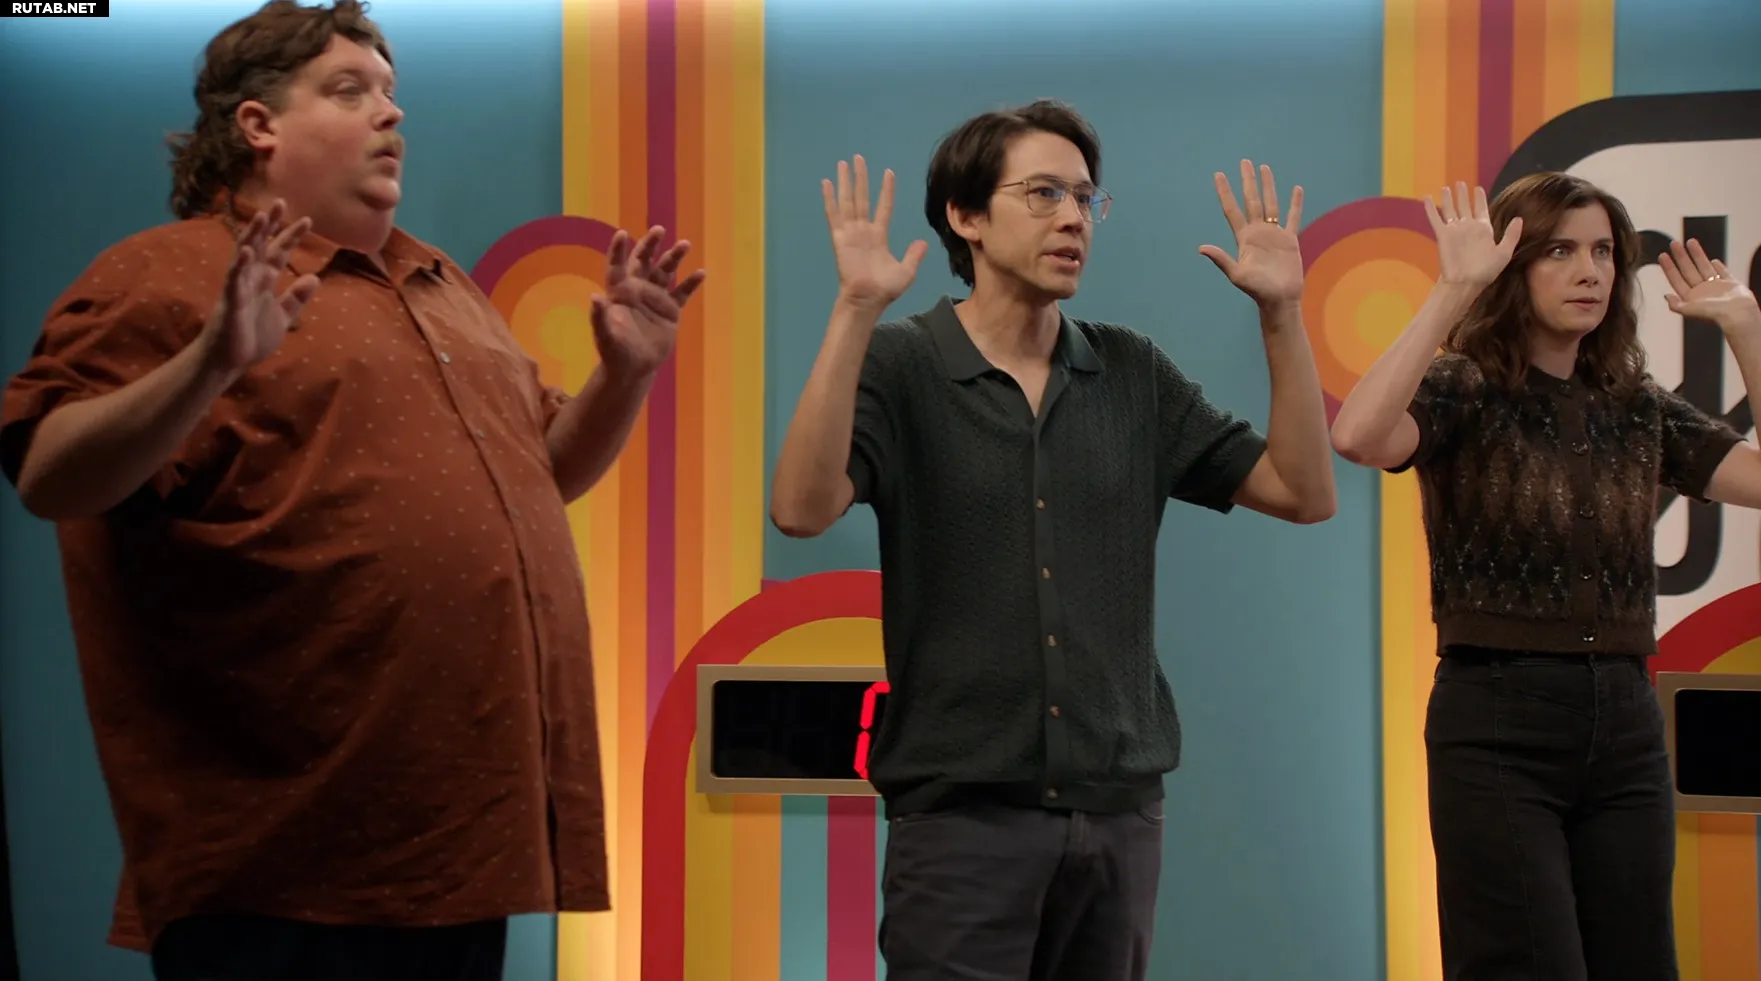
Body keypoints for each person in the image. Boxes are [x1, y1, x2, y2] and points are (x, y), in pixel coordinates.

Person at [0, 2, 704, 979]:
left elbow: (542, 475)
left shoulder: (444, 286)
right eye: (349, 90)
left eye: (391, 91)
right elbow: (51, 474)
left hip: (461, 842)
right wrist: (212, 361)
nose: (390, 112)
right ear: (257, 125)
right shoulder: (162, 275)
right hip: (282, 855)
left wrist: (626, 375)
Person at [768, 100, 1337, 981]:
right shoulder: (902, 364)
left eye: (1084, 198)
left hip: (1118, 819)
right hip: (960, 821)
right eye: (1042, 194)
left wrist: (1281, 315)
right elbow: (801, 509)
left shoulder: (1129, 369)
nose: (1073, 218)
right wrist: (853, 310)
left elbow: (1302, 491)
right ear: (965, 217)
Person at [1329, 173, 1761, 981]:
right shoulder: (1463, 385)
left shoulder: (1635, 404)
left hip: (1625, 724)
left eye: (1602, 251)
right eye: (1558, 251)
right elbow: (1357, 435)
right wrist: (1452, 289)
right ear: (1512, 265)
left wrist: (1745, 326)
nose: (1588, 271)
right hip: (1497, 719)